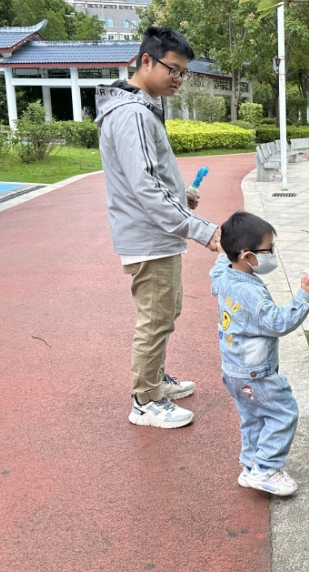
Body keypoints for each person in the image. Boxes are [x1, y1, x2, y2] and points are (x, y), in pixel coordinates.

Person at [95, 26, 220, 428]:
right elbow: (146, 189)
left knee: (167, 310)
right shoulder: (132, 113)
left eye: (184, 72)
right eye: (174, 69)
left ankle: (154, 380)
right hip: (149, 238)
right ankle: (145, 399)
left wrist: (179, 197)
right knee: (156, 317)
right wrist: (203, 230)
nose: (179, 79)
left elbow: (145, 181)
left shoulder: (139, 106)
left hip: (156, 234)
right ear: (146, 60)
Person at [209, 212, 309, 496]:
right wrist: (303, 296)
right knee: (283, 412)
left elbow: (219, 264)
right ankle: (267, 469)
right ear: (247, 256)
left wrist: (223, 250)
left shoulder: (225, 274)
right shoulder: (250, 293)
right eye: (268, 250)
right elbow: (278, 323)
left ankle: (251, 465)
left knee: (254, 416)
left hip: (233, 370)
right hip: (256, 374)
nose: (272, 254)